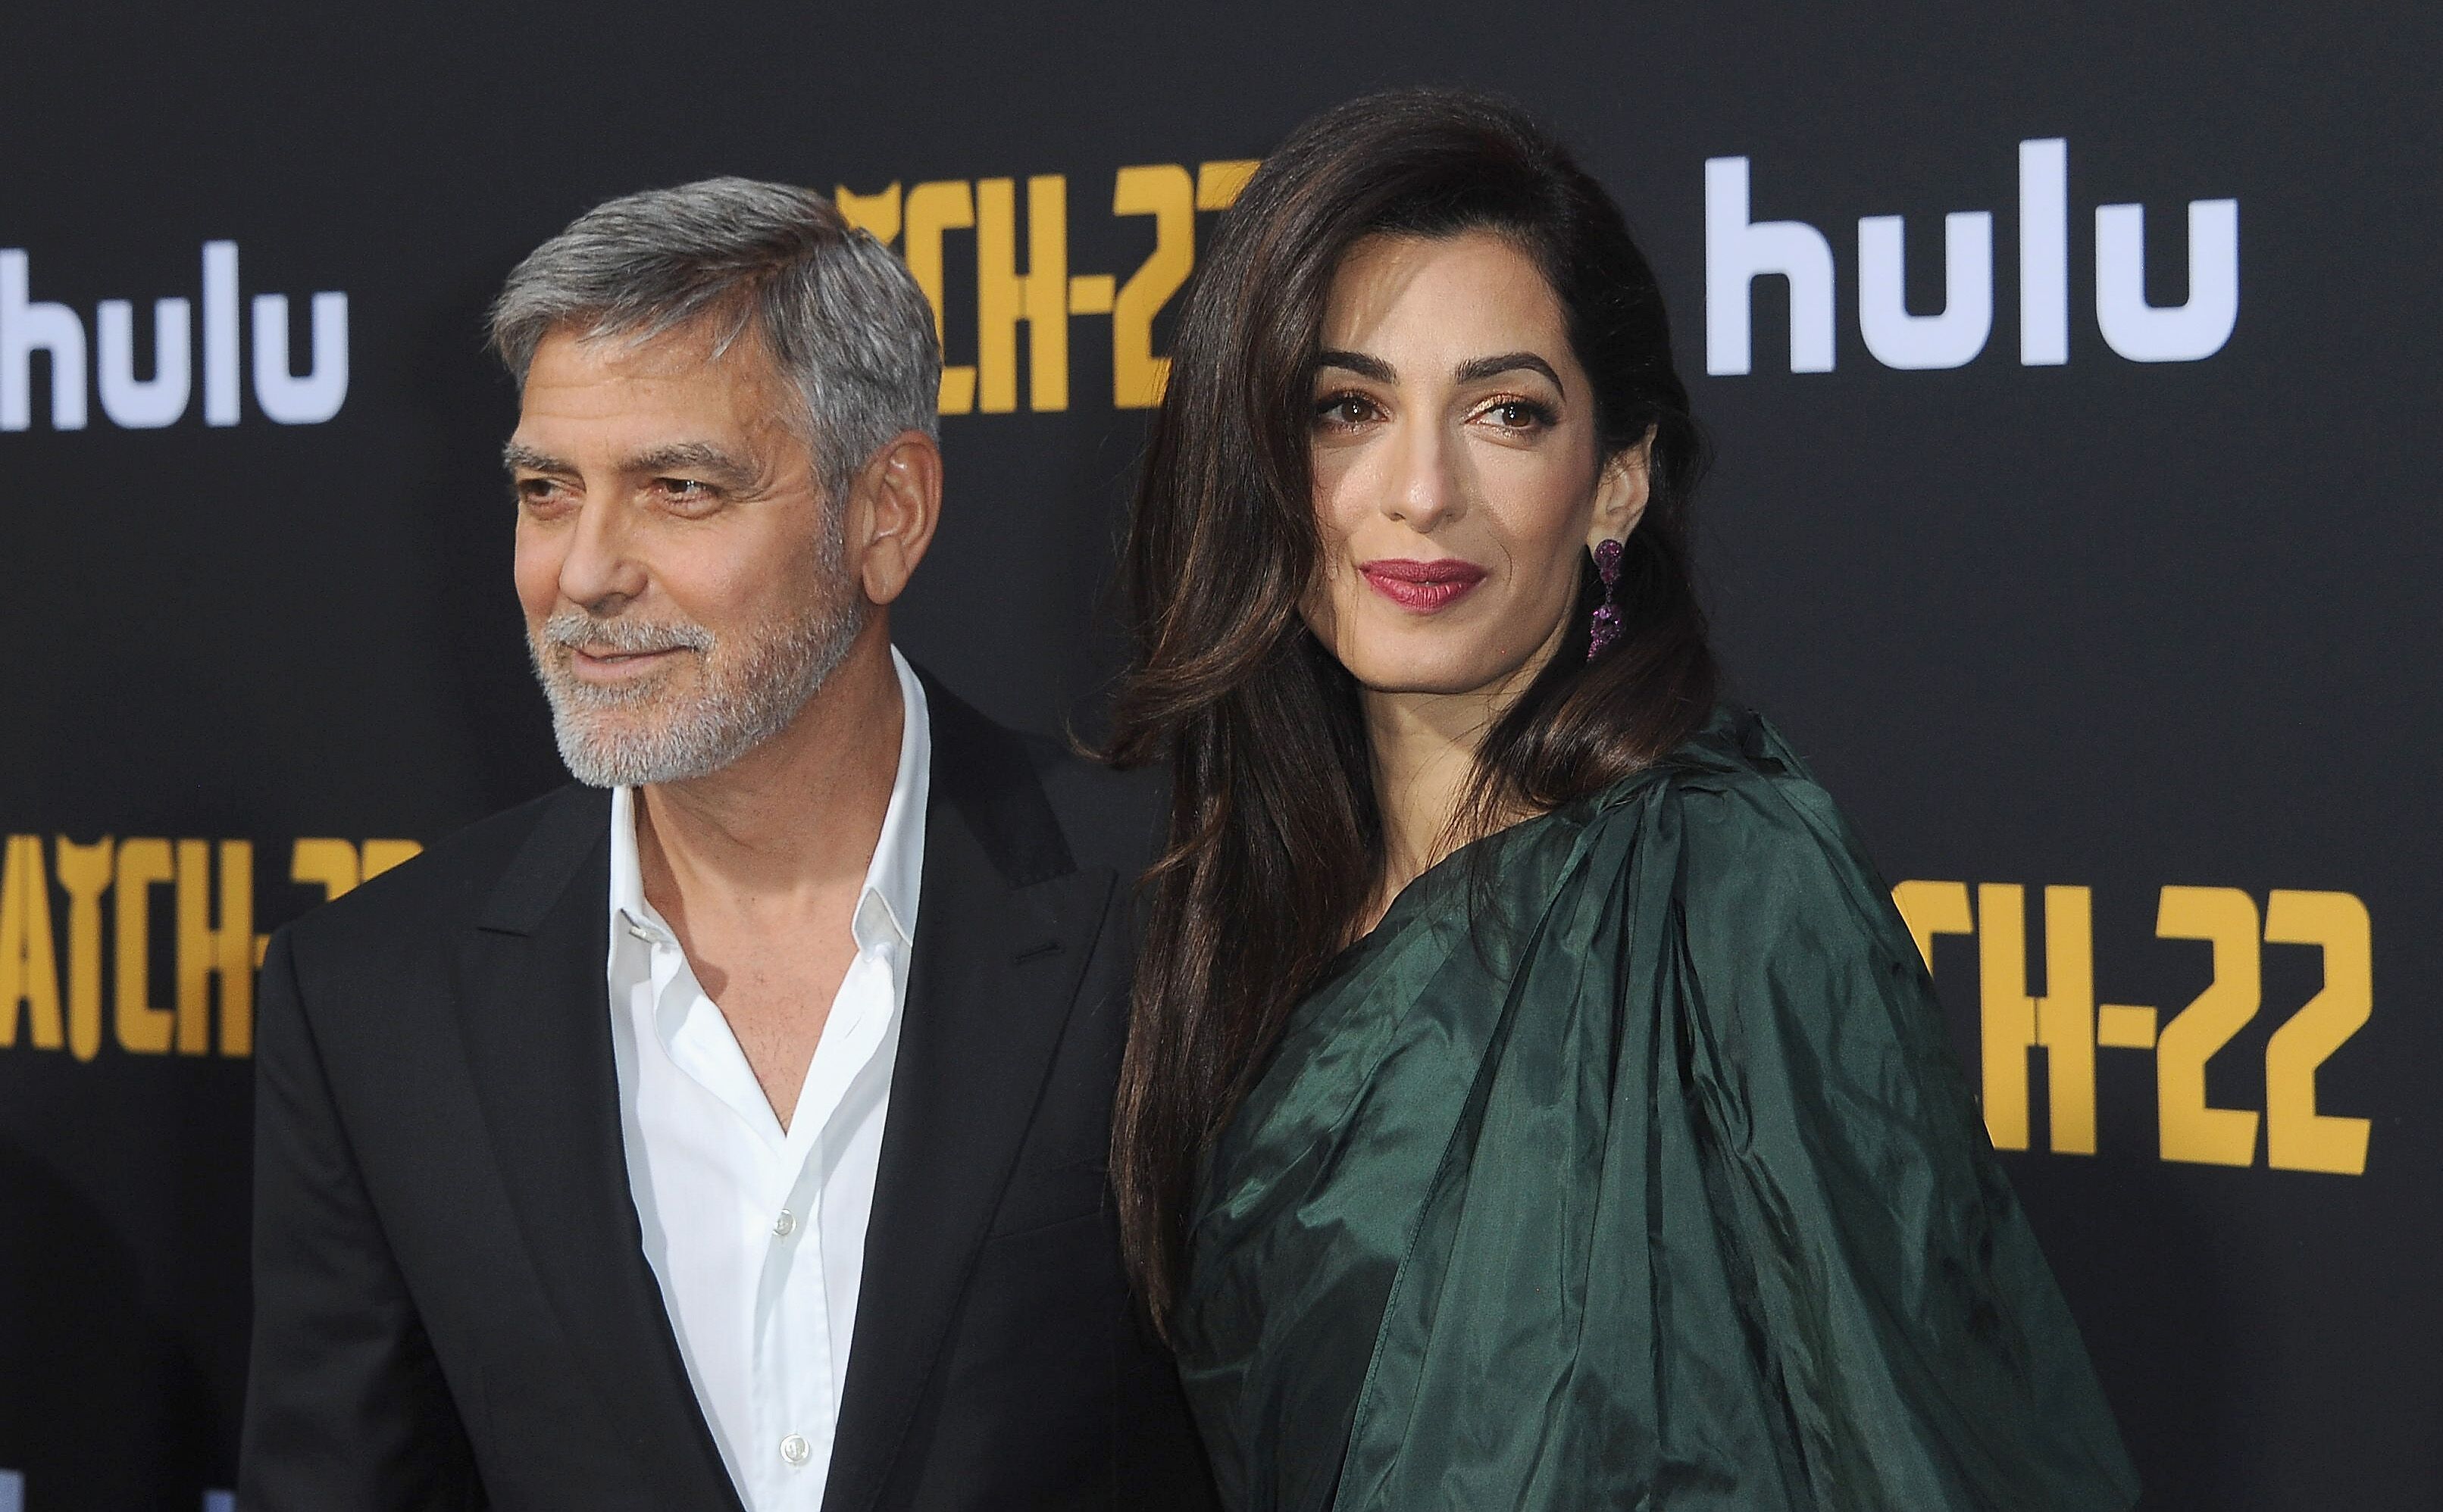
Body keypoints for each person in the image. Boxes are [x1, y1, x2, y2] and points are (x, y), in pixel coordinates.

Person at [1105, 89, 2139, 1510]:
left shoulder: (1732, 884)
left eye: (1505, 414)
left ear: (1616, 485)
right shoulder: (1224, 903)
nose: (1420, 490)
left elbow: (1913, 1448)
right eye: (1349, 408)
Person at [240, 179, 1215, 1511]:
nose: (584, 573)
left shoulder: (1179, 897)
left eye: (679, 488)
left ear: (887, 515)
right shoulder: (371, 1000)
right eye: (545, 490)